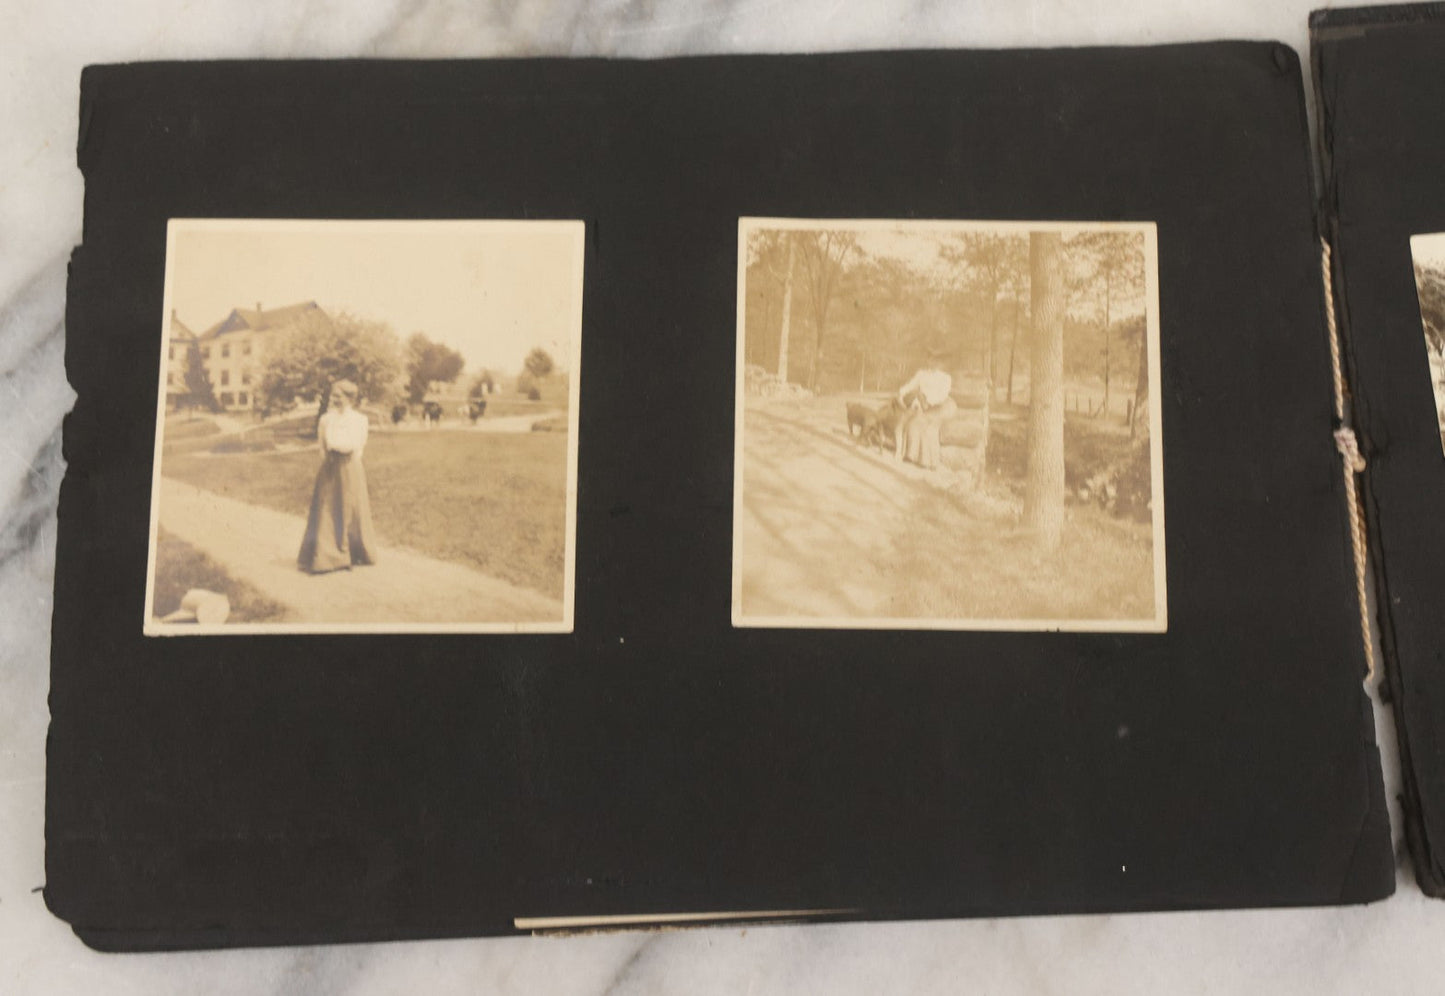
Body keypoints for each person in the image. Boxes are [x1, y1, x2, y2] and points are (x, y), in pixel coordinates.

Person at [298, 380, 378, 573]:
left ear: (350, 398)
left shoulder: (360, 420)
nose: (334, 399)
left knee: (350, 507)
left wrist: (349, 465)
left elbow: (360, 446)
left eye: (338, 396)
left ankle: (353, 553)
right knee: (327, 509)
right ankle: (326, 557)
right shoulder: (326, 419)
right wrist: (330, 463)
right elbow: (322, 446)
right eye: (333, 395)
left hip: (350, 466)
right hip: (330, 466)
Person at [895, 350, 957, 470]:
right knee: (913, 424)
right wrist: (901, 392)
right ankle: (915, 457)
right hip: (923, 404)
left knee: (928, 426)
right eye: (931, 359)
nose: (933, 363)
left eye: (936, 360)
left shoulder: (945, 377)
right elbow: (910, 385)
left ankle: (932, 462)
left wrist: (929, 401)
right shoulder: (921, 374)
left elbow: (943, 394)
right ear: (928, 360)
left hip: (940, 406)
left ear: (940, 362)